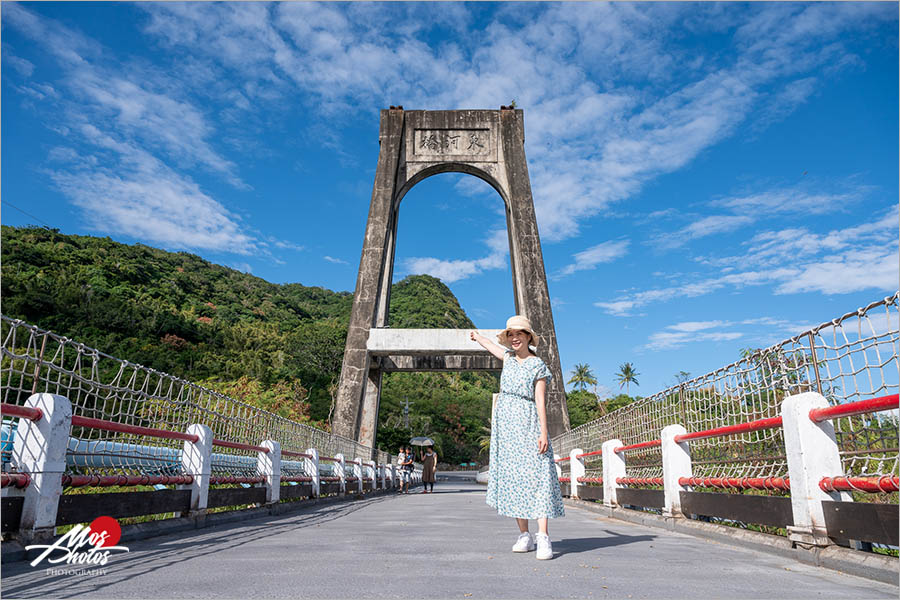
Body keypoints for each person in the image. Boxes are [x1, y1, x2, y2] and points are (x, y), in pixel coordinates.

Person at [470, 315, 564, 560]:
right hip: (507, 425)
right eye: (511, 335)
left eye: (519, 334)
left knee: (538, 475)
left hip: (529, 421)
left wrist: (543, 432)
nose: (514, 339)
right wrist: (479, 337)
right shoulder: (508, 359)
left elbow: (541, 401)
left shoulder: (538, 366)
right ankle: (525, 535)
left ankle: (543, 536)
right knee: (514, 478)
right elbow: (493, 348)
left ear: (528, 337)